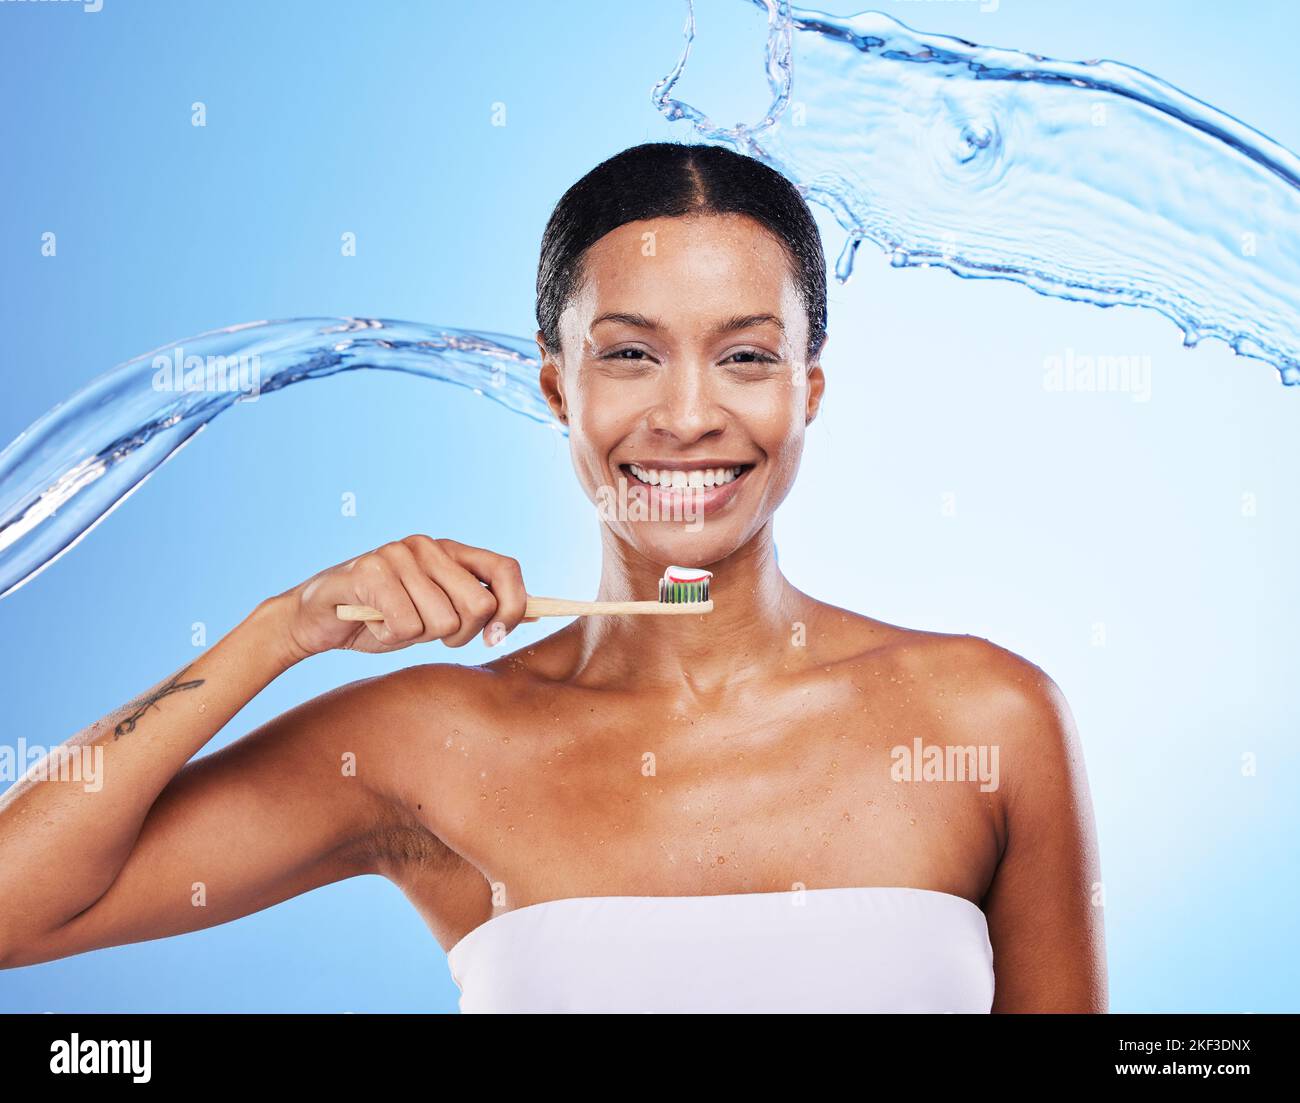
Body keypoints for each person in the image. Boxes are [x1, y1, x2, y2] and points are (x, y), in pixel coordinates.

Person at [0, 142, 1106, 1013]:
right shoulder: (425, 740)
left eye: (747, 354)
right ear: (552, 386)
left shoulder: (990, 718)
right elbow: (16, 909)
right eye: (628, 353)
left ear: (809, 388)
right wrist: (280, 629)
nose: (686, 415)